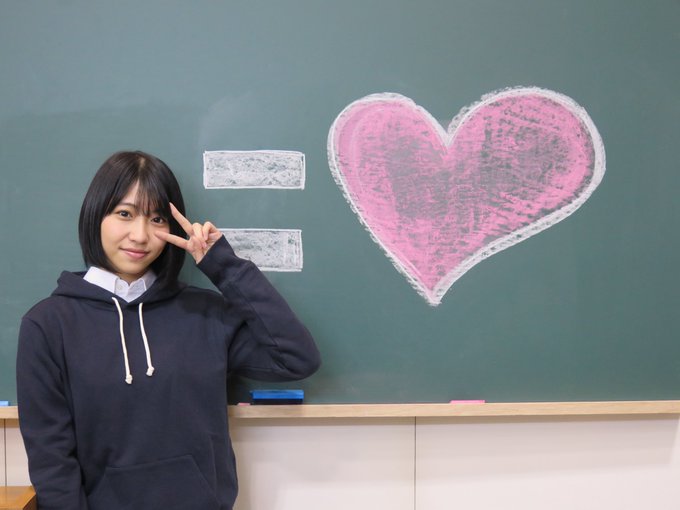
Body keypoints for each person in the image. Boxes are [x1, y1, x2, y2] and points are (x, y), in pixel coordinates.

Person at [16, 150, 321, 510]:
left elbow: (296, 358)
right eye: (125, 214)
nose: (140, 235)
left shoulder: (205, 313)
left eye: (157, 218)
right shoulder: (48, 324)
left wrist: (222, 265)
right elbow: (52, 461)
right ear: (96, 215)